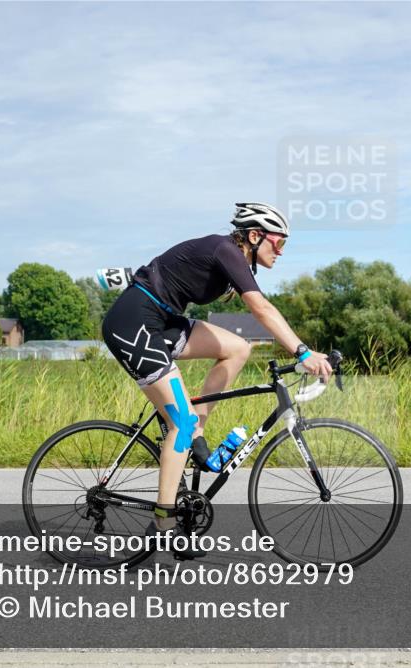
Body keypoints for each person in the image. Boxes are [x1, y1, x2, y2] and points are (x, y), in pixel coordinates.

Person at [100, 202, 333, 553]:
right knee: (180, 420)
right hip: (133, 324)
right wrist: (302, 351)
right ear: (255, 236)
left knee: (238, 348)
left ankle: (196, 436)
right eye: (279, 243)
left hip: (161, 321)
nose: (281, 252)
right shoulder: (226, 250)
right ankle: (163, 522)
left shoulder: (231, 258)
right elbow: (262, 308)